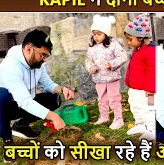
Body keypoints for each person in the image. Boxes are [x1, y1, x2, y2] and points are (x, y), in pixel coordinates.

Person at [0, 29, 75, 163]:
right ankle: (7, 139)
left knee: (54, 98)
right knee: (1, 96)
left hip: (24, 102)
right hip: (6, 106)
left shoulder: (37, 63)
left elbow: (47, 84)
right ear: (29, 49)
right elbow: (24, 102)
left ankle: (21, 125)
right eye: (43, 55)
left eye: (47, 56)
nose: (45, 60)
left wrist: (62, 89)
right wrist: (54, 116)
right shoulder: (11, 66)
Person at [85, 15, 127, 129]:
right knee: (102, 99)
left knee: (114, 98)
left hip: (111, 77)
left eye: (99, 34)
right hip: (99, 79)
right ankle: (104, 116)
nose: (96, 37)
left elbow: (123, 56)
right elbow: (88, 60)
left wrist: (112, 64)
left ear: (106, 34)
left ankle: (119, 119)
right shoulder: (92, 47)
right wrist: (91, 68)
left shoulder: (113, 44)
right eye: (94, 34)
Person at [124, 14, 156, 141]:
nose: (128, 42)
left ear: (141, 37)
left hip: (146, 90)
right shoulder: (138, 49)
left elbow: (153, 72)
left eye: (130, 39)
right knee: (135, 106)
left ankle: (152, 128)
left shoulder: (151, 51)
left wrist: (150, 89)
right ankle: (141, 124)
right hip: (135, 88)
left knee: (147, 109)